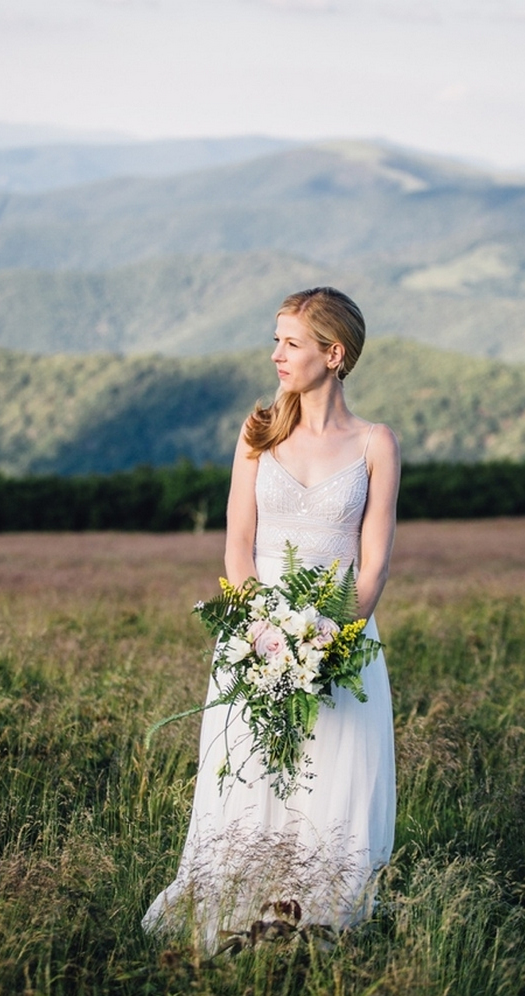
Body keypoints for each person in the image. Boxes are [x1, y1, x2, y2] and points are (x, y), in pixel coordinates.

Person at [142, 287, 399, 950]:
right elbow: (236, 544)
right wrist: (263, 629)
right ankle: (236, 922)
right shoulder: (258, 431)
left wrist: (329, 640)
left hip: (339, 645)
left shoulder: (376, 443)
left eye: (291, 341)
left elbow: (372, 565)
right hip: (255, 639)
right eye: (276, 339)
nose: (276, 353)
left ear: (333, 353)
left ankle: (317, 928)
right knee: (251, 780)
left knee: (329, 789)